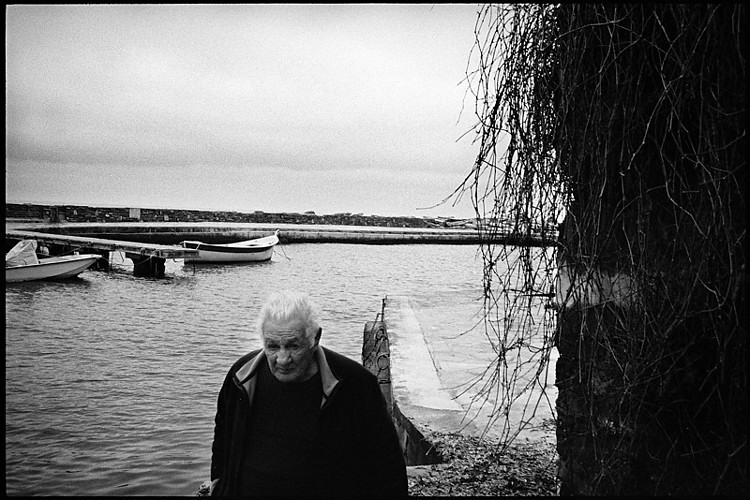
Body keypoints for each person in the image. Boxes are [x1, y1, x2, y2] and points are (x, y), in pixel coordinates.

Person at [209, 290, 408, 497]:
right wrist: (218, 484)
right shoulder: (241, 375)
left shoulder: (355, 385)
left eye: (293, 346)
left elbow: (387, 464)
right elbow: (223, 433)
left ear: (315, 339)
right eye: (273, 346)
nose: (283, 359)